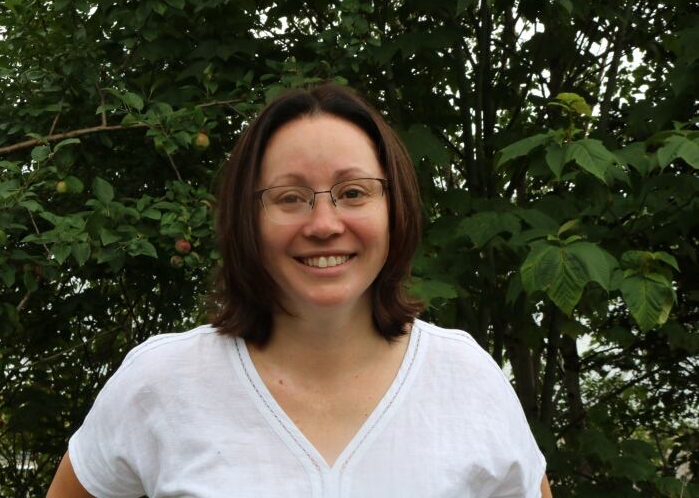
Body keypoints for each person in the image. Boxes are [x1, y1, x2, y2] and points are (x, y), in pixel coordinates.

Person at [47, 84, 552, 497]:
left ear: (394, 208)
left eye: (353, 193)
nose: (324, 224)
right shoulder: (161, 382)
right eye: (289, 197)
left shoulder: (466, 381)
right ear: (247, 217)